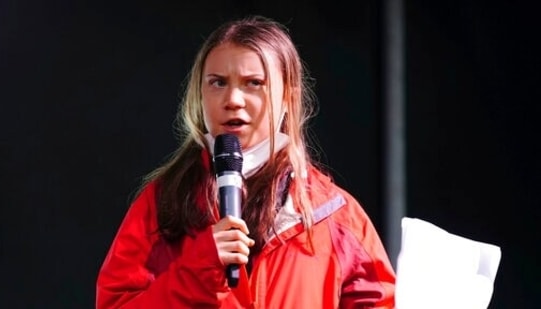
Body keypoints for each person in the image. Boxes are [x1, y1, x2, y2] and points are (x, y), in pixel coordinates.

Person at [96, 15, 396, 308]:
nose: (233, 99)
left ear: (288, 98)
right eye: (218, 83)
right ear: (199, 94)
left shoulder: (333, 215)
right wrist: (200, 268)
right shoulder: (161, 205)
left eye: (253, 83)